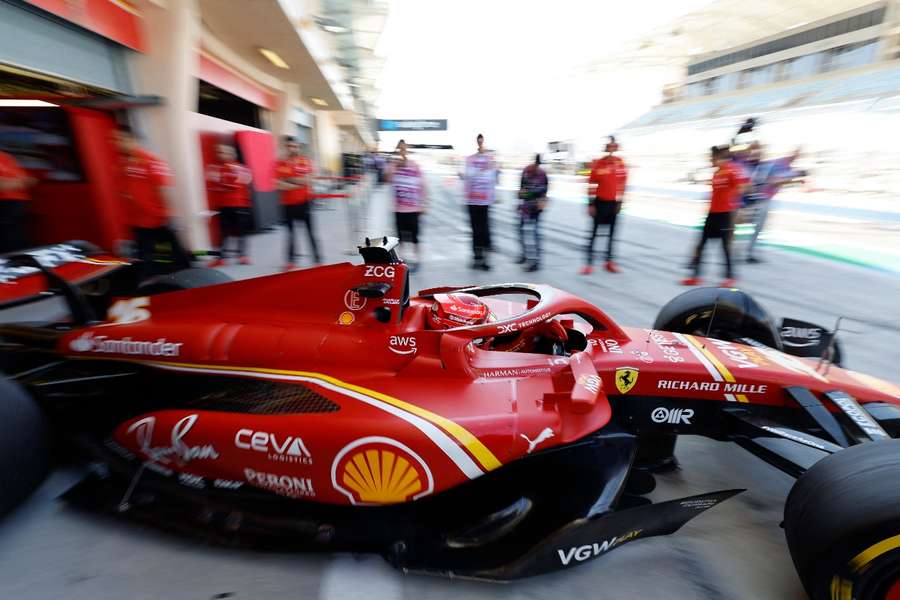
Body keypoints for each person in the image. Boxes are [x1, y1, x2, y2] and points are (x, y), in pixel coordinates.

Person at [112, 126, 193, 278]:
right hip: (138, 223)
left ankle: (188, 284)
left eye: (120, 139)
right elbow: (124, 192)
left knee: (172, 258)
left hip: (158, 223)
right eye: (115, 139)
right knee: (149, 261)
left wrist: (172, 216)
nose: (116, 143)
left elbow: (166, 190)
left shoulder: (152, 162)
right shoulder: (123, 164)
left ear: (132, 140)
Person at [681, 145, 749, 287]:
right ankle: (695, 276)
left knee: (725, 247)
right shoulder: (717, 173)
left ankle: (730, 277)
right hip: (712, 214)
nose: (710, 160)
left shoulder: (732, 171)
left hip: (725, 215)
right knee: (701, 245)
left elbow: (743, 187)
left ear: (718, 157)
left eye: (711, 158)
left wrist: (738, 209)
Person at [745, 148, 802, 263]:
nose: (797, 157)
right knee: (758, 227)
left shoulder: (786, 167)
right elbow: (772, 181)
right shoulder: (779, 164)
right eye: (797, 154)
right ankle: (750, 253)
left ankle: (750, 252)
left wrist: (791, 181)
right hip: (761, 198)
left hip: (763, 197)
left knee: (758, 227)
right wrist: (791, 181)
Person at [580, 136, 627, 275]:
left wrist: (620, 202)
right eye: (609, 147)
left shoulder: (620, 163)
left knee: (612, 234)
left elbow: (623, 184)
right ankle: (589, 263)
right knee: (594, 234)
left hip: (614, 204)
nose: (611, 149)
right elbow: (591, 184)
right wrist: (591, 204)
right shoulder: (598, 164)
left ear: (616, 147)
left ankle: (609, 262)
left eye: (614, 146)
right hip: (599, 203)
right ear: (606, 148)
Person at [274, 136, 320, 270]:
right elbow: (278, 185)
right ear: (285, 147)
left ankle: (317, 259)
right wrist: (299, 182)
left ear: (298, 147)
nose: (292, 149)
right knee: (290, 234)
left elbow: (310, 179)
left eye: (294, 146)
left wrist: (289, 180)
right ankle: (290, 261)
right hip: (287, 205)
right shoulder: (280, 164)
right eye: (289, 146)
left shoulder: (305, 162)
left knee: (310, 232)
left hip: (304, 202)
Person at [206, 143, 253, 267]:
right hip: (224, 205)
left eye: (222, 152)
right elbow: (214, 186)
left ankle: (243, 255)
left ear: (231, 154)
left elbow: (236, 185)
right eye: (218, 152)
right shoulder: (215, 169)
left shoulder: (242, 168)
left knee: (242, 232)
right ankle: (221, 258)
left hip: (240, 205)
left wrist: (224, 185)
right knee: (223, 233)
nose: (219, 155)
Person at [385, 139, 426, 271]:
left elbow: (422, 185)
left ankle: (418, 260)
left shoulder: (415, 165)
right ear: (398, 150)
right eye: (400, 149)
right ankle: (402, 260)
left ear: (407, 150)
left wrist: (424, 203)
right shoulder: (393, 165)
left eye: (404, 148)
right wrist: (394, 166)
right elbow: (386, 179)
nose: (402, 151)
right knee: (400, 237)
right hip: (399, 209)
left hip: (413, 208)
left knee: (415, 237)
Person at [463, 134, 498, 270]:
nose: (480, 143)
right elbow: (468, 177)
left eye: (482, 141)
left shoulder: (490, 159)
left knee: (484, 231)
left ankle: (485, 260)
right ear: (477, 142)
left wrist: (493, 196)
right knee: (475, 231)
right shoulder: (470, 159)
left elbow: (493, 178)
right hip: (472, 200)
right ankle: (476, 258)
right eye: (479, 141)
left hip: (484, 202)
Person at [517, 153, 548, 271]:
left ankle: (536, 261)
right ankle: (525, 255)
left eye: (539, 164)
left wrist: (543, 201)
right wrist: (520, 200)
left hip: (536, 207)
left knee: (535, 233)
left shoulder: (543, 174)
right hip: (525, 206)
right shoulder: (526, 171)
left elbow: (544, 191)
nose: (537, 166)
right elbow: (521, 190)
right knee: (521, 231)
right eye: (536, 163)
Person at [0, 149, 36, 253]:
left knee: (16, 238)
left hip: (16, 203)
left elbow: (28, 180)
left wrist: (16, 183)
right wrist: (18, 183)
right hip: (5, 203)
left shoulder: (5, 156)